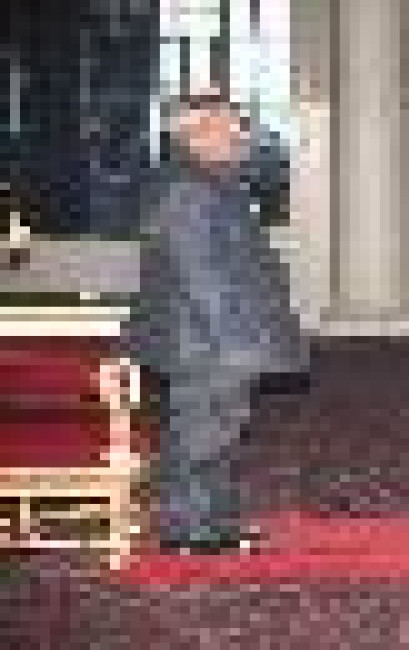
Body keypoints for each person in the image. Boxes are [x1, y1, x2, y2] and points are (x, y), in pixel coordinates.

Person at [124, 92, 308, 554]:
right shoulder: (189, 188)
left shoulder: (212, 180)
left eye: (239, 126)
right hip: (205, 340)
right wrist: (233, 341)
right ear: (195, 133)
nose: (240, 136)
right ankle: (186, 531)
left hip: (212, 338)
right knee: (198, 437)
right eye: (229, 127)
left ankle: (216, 523)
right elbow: (200, 274)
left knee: (219, 433)